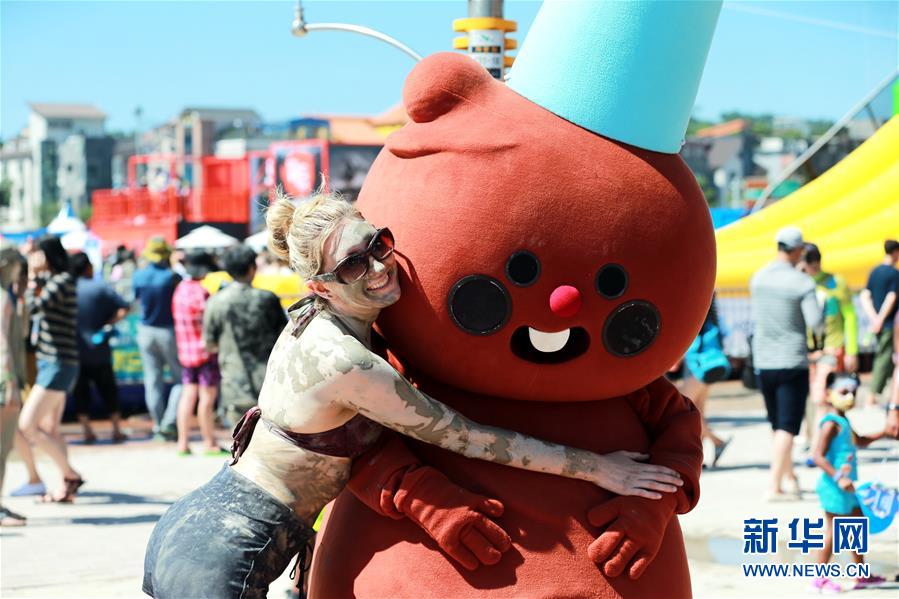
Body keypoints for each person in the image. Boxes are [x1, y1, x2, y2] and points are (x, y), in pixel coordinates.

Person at [143, 192, 684, 599]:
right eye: (353, 264)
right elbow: (471, 439)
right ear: (320, 286)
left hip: (206, 525)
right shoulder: (347, 362)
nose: (378, 266)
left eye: (377, 244)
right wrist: (600, 469)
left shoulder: (315, 318)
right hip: (233, 547)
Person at [750, 226, 822, 501]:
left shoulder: (759, 278)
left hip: (764, 361)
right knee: (788, 427)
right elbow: (815, 322)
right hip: (792, 360)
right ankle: (774, 486)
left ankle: (789, 476)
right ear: (797, 251)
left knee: (777, 424)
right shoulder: (802, 283)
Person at [18, 235, 84, 503]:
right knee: (50, 429)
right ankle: (64, 487)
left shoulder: (62, 282)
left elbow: (35, 306)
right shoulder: (57, 281)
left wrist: (32, 275)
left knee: (27, 426)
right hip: (56, 362)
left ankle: (70, 474)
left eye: (37, 254)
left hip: (57, 363)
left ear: (48, 255)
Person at [810, 373, 886, 592]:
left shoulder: (843, 421)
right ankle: (819, 579)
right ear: (828, 394)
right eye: (844, 392)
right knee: (833, 532)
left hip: (847, 486)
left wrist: (884, 433)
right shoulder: (831, 424)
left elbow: (859, 440)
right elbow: (817, 456)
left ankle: (860, 574)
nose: (850, 396)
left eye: (853, 392)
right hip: (834, 487)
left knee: (856, 527)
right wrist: (838, 477)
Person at [203, 244, 286, 425]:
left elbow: (209, 343)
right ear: (252, 268)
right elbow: (285, 336)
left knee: (240, 438)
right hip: (269, 380)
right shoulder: (267, 298)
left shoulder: (216, 301)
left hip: (235, 381)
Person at [800, 243, 859, 452]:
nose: (810, 270)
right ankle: (813, 437)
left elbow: (850, 316)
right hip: (806, 351)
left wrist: (851, 349)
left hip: (832, 349)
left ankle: (821, 444)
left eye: (812, 265)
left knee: (824, 399)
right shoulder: (799, 282)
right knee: (812, 399)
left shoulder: (836, 283)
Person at [70, 252, 130, 443]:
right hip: (99, 350)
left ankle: (86, 431)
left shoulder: (68, 289)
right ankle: (116, 430)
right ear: (88, 267)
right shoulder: (100, 287)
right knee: (108, 390)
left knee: (81, 392)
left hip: (75, 351)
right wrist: (109, 323)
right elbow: (124, 307)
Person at [172, 251, 222, 456]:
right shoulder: (202, 292)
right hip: (205, 353)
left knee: (187, 395)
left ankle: (182, 443)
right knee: (207, 398)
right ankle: (209, 442)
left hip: (185, 353)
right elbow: (211, 323)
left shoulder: (179, 290)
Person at [132, 237, 181, 441]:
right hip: (168, 331)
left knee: (153, 381)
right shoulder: (172, 276)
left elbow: (134, 299)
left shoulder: (138, 276)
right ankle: (170, 421)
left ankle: (159, 425)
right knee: (181, 379)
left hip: (145, 331)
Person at [680, 296, 730, 468]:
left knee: (685, 408)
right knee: (697, 410)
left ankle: (716, 442)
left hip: (699, 365)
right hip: (708, 364)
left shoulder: (694, 311)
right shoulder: (709, 310)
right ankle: (701, 454)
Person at [1, 243, 28, 525]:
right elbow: (5, 344)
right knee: (2, 446)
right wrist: (10, 382)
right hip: (3, 380)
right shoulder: (3, 299)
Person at [859, 239, 899, 404]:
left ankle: (890, 396)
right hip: (889, 324)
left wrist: (873, 318)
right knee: (884, 359)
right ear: (895, 252)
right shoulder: (894, 274)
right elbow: (891, 298)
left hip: (877, 324)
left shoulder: (874, 272)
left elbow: (865, 296)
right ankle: (871, 396)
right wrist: (880, 319)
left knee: (887, 360)